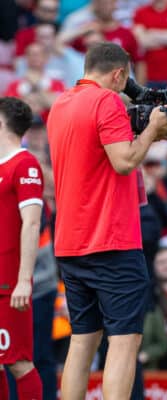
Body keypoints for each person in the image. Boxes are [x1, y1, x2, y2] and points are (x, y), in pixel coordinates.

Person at [46, 42, 167, 400]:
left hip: (71, 240)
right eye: (125, 80)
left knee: (83, 338)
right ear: (118, 74)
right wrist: (152, 128)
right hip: (111, 239)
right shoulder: (106, 100)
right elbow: (124, 161)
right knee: (124, 340)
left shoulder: (60, 102)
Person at [0, 97, 44, 400]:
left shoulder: (25, 164)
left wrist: (23, 281)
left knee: (19, 361)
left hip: (9, 282)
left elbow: (31, 224)